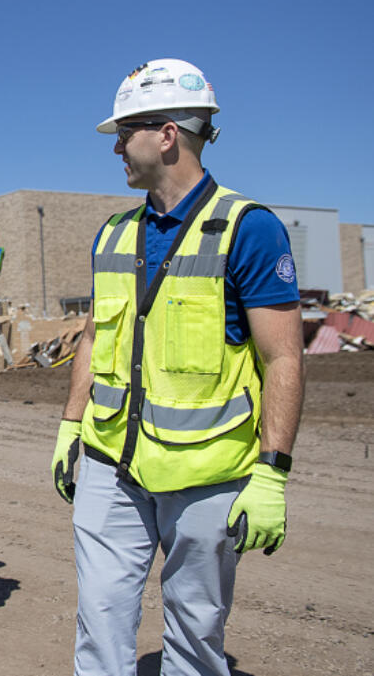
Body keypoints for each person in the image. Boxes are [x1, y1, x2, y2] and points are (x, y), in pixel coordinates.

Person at [51, 59, 304, 676]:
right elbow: (94, 336)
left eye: (125, 130)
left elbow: (284, 358)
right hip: (113, 466)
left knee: (195, 632)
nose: (115, 146)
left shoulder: (249, 230)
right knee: (99, 620)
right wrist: (70, 425)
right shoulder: (112, 235)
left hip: (206, 473)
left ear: (167, 134)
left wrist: (272, 473)